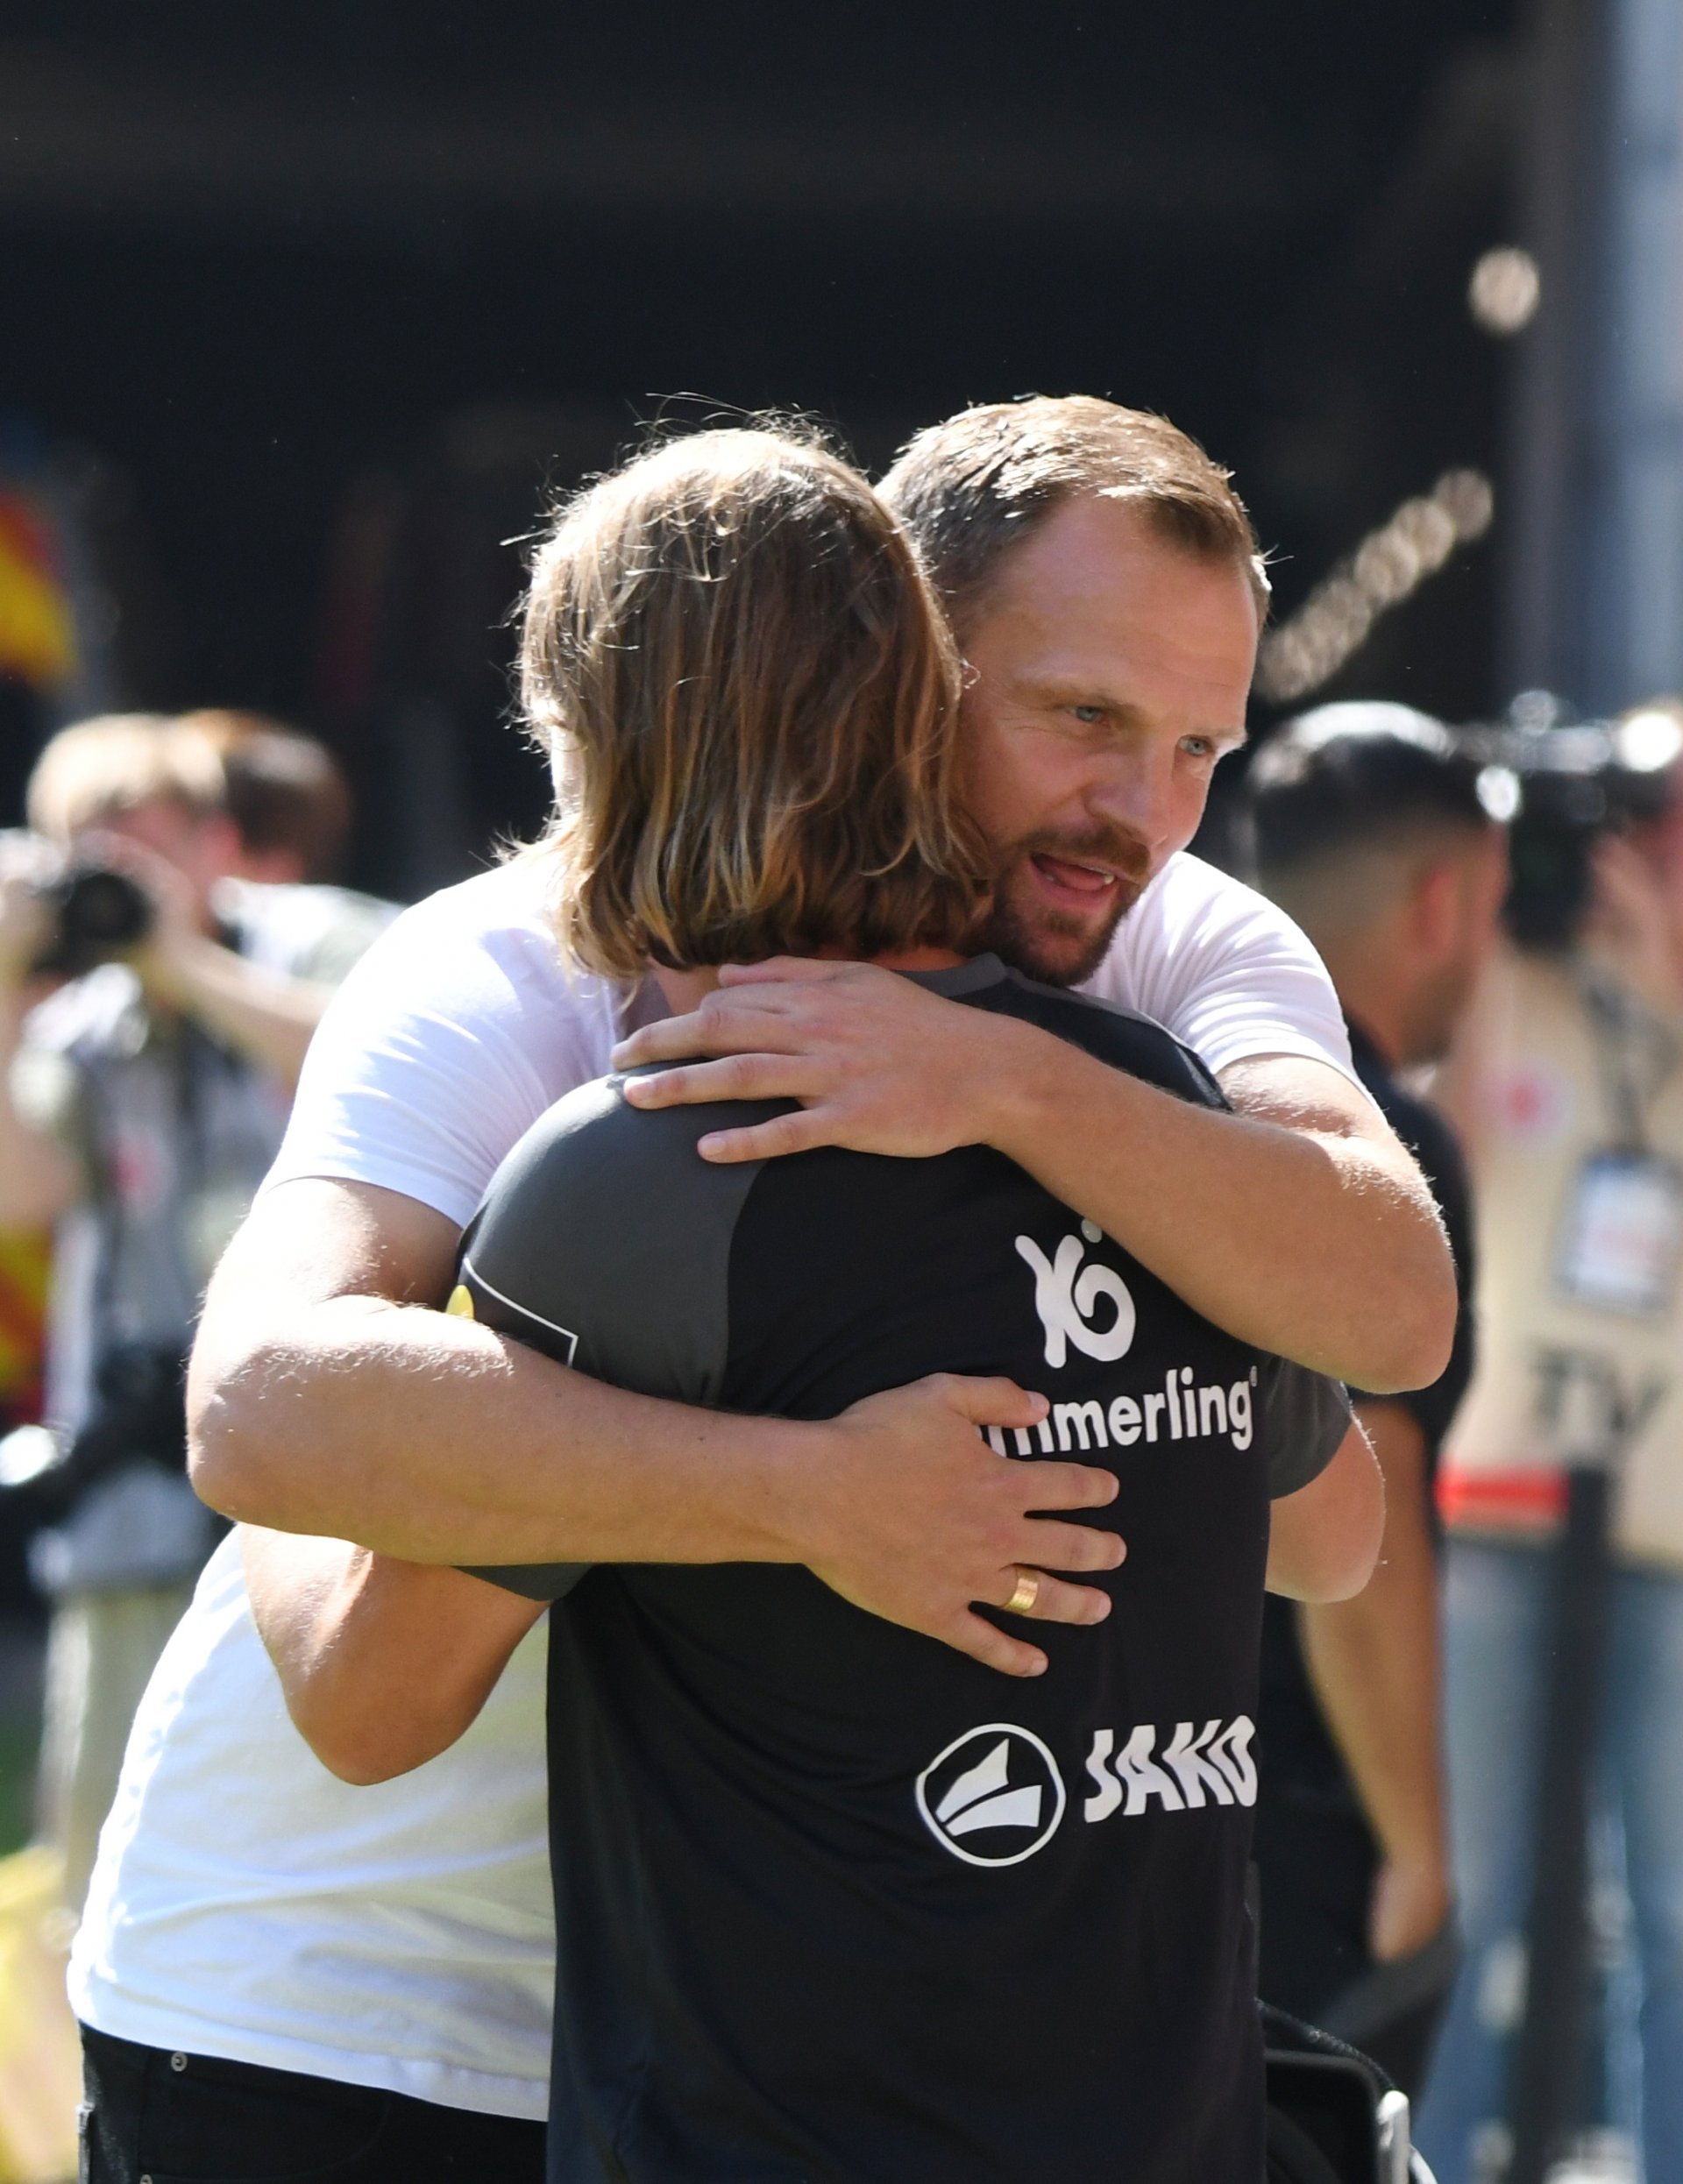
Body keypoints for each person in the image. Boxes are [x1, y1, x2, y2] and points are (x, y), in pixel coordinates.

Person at [70, 402, 1444, 2175]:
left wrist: (999, 1081)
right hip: (350, 2000)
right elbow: (267, 1421)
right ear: (896, 655)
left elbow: (1378, 1346)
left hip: (769, 2037)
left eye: (1200, 745)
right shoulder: (521, 999)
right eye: (1084, 715)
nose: (1145, 811)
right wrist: (805, 1495)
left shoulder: (1157, 963)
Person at [0, 713, 385, 1909]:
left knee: (325, 1848)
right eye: (85, 858)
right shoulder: (81, 1028)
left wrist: (182, 961)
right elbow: (25, 1193)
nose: (110, 882)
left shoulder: (326, 940)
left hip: (328, 1489)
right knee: (110, 1872)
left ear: (218, 839)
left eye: (138, 848)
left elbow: (374, 1062)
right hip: (134, 1504)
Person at [1417, 698, 1683, 2184]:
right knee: (1476, 1905)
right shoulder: (1516, 981)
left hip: (1668, 1531)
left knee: (1677, 1918)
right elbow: (1422, 1132)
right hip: (1500, 1506)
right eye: (1645, 819)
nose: (1656, 853)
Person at [1242, 703, 1508, 2095]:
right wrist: (1417, 1842)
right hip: (1304, 1810)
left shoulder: (1174, 1088)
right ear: (1443, 900)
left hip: (1154, 1768)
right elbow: (1369, 1477)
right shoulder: (1379, 1150)